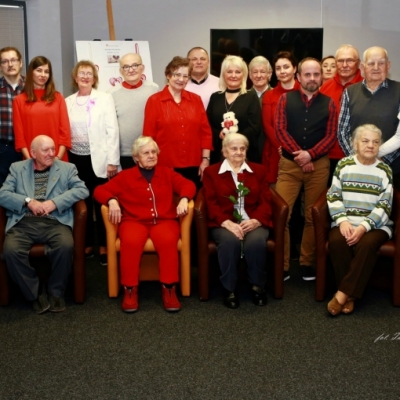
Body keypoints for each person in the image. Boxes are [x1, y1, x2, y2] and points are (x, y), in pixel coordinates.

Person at [93, 136, 196, 313]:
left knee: (167, 241)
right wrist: (112, 201)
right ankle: (130, 290)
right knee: (131, 242)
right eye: (146, 153)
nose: (151, 155)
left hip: (164, 221)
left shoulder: (166, 173)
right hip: (134, 221)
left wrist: (184, 198)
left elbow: (188, 185)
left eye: (153, 152)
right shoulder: (125, 176)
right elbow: (99, 190)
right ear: (136, 158)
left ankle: (169, 288)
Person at [0, 135, 89, 313]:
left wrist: (54, 202)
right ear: (33, 153)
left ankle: (56, 292)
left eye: (53, 149)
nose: (51, 154)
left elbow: (82, 189)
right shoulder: (17, 168)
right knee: (10, 251)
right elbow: (3, 194)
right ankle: (35, 292)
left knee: (65, 246)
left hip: (55, 221)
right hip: (24, 222)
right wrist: (27, 201)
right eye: (45, 150)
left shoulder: (67, 168)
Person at [275, 57, 337, 281]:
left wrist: (311, 154)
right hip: (290, 166)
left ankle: (307, 262)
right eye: (307, 74)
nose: (312, 78)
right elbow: (280, 131)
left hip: (318, 166)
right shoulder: (284, 99)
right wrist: (301, 156)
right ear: (298, 77)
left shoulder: (329, 103)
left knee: (313, 215)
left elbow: (331, 135)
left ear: (321, 76)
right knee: (283, 213)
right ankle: (281, 265)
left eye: (316, 74)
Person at [326, 124, 393, 316]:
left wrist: (364, 226)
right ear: (355, 144)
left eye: (375, 142)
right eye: (365, 141)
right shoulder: (343, 165)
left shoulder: (384, 170)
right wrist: (343, 221)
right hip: (346, 221)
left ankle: (341, 295)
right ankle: (351, 296)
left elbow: (385, 205)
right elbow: (333, 196)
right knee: (338, 241)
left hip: (376, 226)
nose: (370, 145)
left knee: (366, 244)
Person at [202, 133, 272, 309]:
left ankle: (257, 286)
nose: (239, 152)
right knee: (229, 241)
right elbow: (211, 203)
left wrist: (256, 220)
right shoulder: (212, 172)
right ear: (224, 151)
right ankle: (229, 288)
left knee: (255, 241)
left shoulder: (258, 171)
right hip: (224, 222)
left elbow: (266, 200)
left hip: (252, 220)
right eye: (234, 148)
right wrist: (226, 223)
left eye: (242, 148)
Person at [65, 60, 120, 265]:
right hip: (75, 159)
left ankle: (105, 245)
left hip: (100, 159)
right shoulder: (67, 101)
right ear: (75, 77)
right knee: (82, 203)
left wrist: (113, 161)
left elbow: (112, 130)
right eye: (81, 73)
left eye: (89, 73)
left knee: (102, 202)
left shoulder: (105, 98)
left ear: (94, 78)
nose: (85, 76)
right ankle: (87, 243)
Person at [143, 56, 212, 190]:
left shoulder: (196, 100)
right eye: (177, 75)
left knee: (191, 203)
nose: (181, 79)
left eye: (185, 76)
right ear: (168, 75)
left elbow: (206, 133)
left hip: (194, 165)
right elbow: (148, 137)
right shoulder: (154, 101)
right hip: (164, 165)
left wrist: (205, 160)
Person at [338, 46, 400, 188]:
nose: (376, 67)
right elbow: (342, 131)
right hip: (356, 169)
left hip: (393, 170)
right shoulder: (350, 92)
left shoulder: (399, 91)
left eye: (381, 63)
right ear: (362, 66)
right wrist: (359, 159)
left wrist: (380, 160)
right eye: (371, 63)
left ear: (388, 65)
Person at [12, 56, 70, 161]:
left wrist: (58, 158)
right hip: (31, 160)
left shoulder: (58, 97)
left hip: (57, 158)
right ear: (31, 73)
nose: (43, 75)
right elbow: (20, 138)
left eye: (46, 72)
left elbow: (65, 133)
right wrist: (31, 160)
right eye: (39, 70)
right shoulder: (19, 100)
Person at [207, 55, 262, 164]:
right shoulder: (215, 97)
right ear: (223, 74)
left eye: (237, 72)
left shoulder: (251, 97)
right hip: (218, 155)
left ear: (244, 75)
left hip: (244, 155)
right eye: (229, 72)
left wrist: (234, 138)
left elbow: (255, 127)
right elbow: (207, 125)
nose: (233, 75)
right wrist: (220, 134)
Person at [320, 44, 363, 179]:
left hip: (357, 156)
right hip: (326, 156)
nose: (344, 65)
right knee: (327, 197)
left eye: (350, 60)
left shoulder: (366, 87)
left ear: (358, 63)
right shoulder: (325, 87)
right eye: (340, 61)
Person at [109, 53, 159, 169]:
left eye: (135, 65)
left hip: (149, 152)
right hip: (124, 154)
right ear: (121, 71)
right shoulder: (111, 94)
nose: (131, 70)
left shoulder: (154, 89)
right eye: (126, 67)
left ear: (142, 68)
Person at [262, 51, 300, 185]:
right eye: (278, 68)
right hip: (276, 150)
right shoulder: (269, 95)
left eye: (286, 67)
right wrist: (282, 147)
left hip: (301, 151)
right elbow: (267, 126)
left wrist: (293, 148)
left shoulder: (304, 92)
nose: (282, 71)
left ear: (295, 68)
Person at [0, 47, 25, 187]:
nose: (10, 64)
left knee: (27, 190)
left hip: (28, 150)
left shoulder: (31, 87)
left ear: (20, 63)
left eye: (13, 60)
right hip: (3, 149)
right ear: (0, 66)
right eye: (5, 61)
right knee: (3, 191)